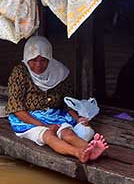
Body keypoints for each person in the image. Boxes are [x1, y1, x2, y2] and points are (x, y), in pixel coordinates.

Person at [7, 35, 108, 163]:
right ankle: (78, 153)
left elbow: (67, 102)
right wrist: (45, 126)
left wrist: (78, 119)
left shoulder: (59, 72)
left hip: (54, 115)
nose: (38, 65)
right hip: (28, 120)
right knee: (49, 136)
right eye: (33, 60)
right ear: (27, 59)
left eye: (43, 60)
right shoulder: (20, 72)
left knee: (67, 133)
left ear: (49, 58)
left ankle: (90, 149)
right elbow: (17, 108)